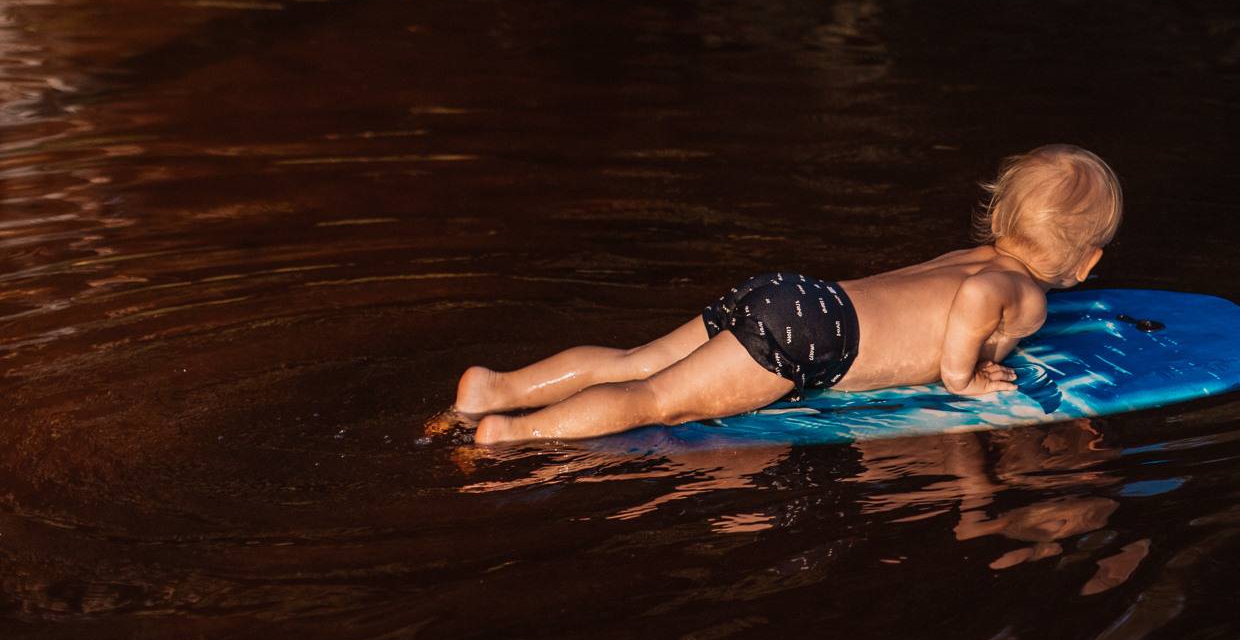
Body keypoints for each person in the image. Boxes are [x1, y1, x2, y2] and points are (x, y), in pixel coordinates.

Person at [449, 144, 1122, 445]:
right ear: (1087, 260)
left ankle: (498, 387)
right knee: (657, 402)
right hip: (817, 338)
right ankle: (516, 432)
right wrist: (965, 378)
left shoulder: (973, 253)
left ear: (1001, 218)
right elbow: (976, 309)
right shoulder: (1023, 295)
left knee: (639, 363)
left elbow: (960, 286)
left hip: (796, 295)